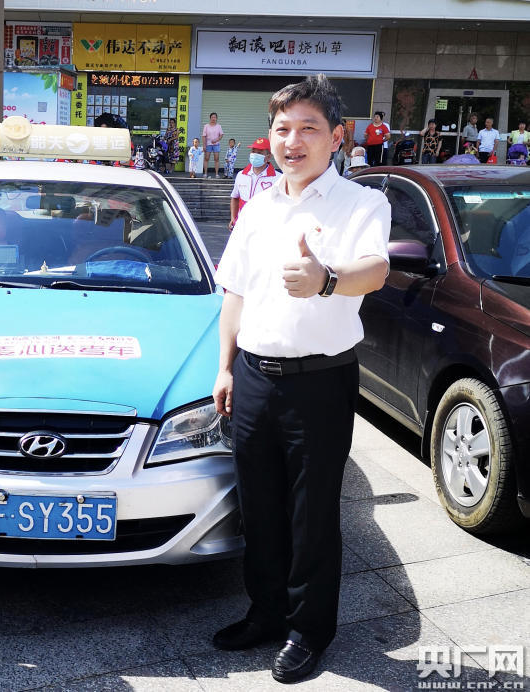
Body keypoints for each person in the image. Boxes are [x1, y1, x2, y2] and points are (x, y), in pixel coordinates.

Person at [211, 73, 390, 684]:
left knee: (312, 514)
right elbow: (234, 292)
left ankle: (308, 631)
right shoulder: (258, 206)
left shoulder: (361, 203)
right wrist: (224, 366)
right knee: (257, 506)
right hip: (253, 377)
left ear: (337, 137)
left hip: (320, 382)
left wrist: (327, 280)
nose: (294, 141)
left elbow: (376, 269)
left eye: (309, 128)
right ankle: (265, 611)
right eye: (283, 129)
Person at [228, 137, 278, 232]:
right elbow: (235, 197)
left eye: (259, 153)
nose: (255, 155)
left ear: (268, 157)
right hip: (242, 227)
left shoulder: (278, 178)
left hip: (265, 229)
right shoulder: (241, 175)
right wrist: (233, 218)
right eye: (253, 151)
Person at [202, 112, 224, 178]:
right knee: (206, 158)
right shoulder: (206, 126)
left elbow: (221, 135)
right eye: (212, 117)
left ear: (216, 118)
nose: (213, 118)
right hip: (208, 144)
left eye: (215, 117)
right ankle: (205, 173)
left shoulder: (219, 126)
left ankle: (217, 174)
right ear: (210, 118)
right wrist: (204, 145)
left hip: (216, 144)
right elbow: (204, 136)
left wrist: (216, 140)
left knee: (216, 159)